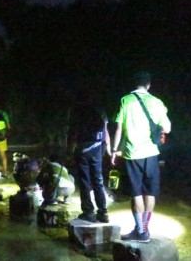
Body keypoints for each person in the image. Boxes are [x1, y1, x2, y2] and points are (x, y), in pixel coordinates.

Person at [111, 71, 171, 243]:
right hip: (151, 154)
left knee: (136, 194)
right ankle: (145, 229)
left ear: (134, 84)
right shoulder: (157, 102)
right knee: (150, 193)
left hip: (132, 155)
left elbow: (119, 129)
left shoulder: (125, 101)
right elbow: (167, 128)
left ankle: (140, 231)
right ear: (148, 84)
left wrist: (115, 150)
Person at [68, 97, 111, 223]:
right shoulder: (100, 110)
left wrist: (69, 151)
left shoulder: (76, 110)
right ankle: (103, 212)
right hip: (97, 148)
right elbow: (105, 129)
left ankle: (88, 212)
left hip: (83, 149)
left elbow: (72, 132)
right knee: (98, 179)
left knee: (84, 181)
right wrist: (108, 147)